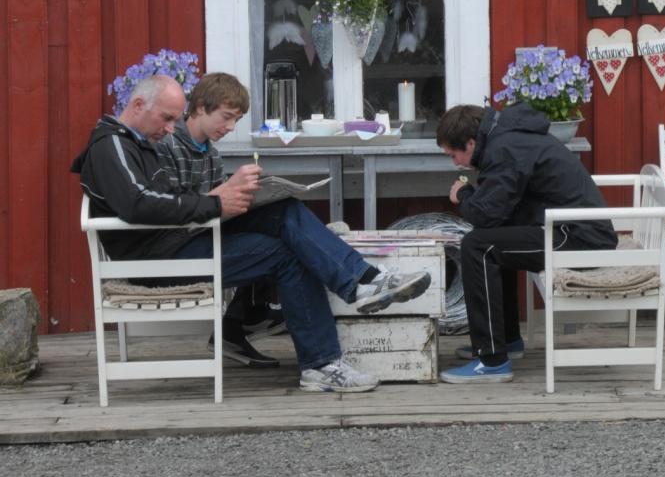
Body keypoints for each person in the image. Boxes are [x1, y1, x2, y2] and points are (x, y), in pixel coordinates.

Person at [72, 74, 431, 392]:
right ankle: (322, 362)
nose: (170, 128)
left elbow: (164, 201)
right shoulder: (111, 144)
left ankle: (366, 282)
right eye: (167, 118)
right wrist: (217, 202)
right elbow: (140, 205)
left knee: (284, 212)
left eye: (173, 120)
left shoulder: (138, 144)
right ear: (137, 104)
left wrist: (235, 200)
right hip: (158, 261)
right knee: (289, 252)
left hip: (180, 241)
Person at [436, 102, 615, 383]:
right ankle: (505, 341)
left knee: (477, 246)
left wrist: (464, 195)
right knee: (495, 238)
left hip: (580, 239)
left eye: (454, 154)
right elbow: (497, 214)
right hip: (572, 230)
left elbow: (484, 215)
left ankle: (491, 360)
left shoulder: (505, 148)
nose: (455, 162)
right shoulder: (509, 138)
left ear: (471, 143)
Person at [157, 72, 281, 368]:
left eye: (236, 120)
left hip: (207, 235)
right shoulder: (168, 146)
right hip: (181, 246)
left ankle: (245, 319)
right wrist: (227, 192)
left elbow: (219, 205)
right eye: (226, 117)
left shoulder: (210, 154)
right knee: (275, 247)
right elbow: (173, 210)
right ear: (199, 107)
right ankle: (249, 318)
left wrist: (249, 198)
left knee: (276, 225)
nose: (230, 127)